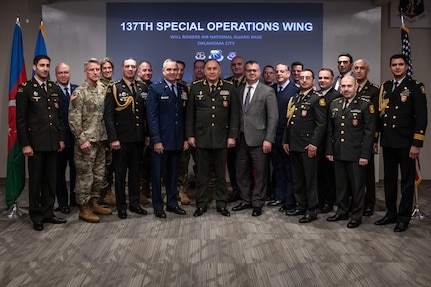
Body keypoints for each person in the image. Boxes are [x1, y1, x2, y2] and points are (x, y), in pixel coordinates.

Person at [375, 54, 427, 232]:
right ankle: (391, 213)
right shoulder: (386, 87)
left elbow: (421, 118)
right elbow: (380, 117)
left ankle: (403, 218)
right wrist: (376, 139)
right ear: (390, 67)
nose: (397, 67)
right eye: (394, 65)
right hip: (388, 141)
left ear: (406, 67)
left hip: (406, 143)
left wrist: (416, 143)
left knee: (406, 182)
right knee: (389, 180)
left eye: (400, 64)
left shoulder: (415, 87)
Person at [16, 55, 67, 231]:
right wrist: (25, 144)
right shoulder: (26, 89)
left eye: (47, 66)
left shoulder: (53, 88)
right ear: (34, 67)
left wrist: (61, 138)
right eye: (42, 65)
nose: (45, 68)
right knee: (36, 182)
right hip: (35, 144)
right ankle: (36, 215)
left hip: (52, 142)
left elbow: (59, 118)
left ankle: (48, 213)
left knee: (50, 180)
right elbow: (21, 120)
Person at [187, 59, 239, 217]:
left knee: (220, 174)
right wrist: (190, 135)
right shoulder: (196, 88)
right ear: (204, 71)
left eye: (214, 68)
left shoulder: (229, 88)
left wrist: (232, 136)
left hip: (221, 138)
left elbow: (234, 114)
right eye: (208, 68)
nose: (211, 71)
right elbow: (190, 114)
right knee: (202, 175)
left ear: (219, 70)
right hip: (201, 138)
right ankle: (201, 204)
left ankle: (221, 203)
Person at [326, 75, 376, 228]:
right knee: (341, 185)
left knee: (357, 187)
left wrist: (364, 155)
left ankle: (356, 215)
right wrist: (330, 151)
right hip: (339, 152)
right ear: (340, 87)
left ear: (356, 87)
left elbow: (369, 132)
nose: (346, 89)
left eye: (349, 86)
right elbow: (330, 131)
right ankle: (342, 211)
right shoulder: (335, 103)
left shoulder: (365, 105)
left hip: (356, 154)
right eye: (343, 86)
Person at [231, 60, 278, 217]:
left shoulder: (267, 91)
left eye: (254, 70)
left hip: (260, 139)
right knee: (241, 171)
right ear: (245, 72)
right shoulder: (238, 90)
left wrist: (269, 139)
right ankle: (245, 200)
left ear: (259, 73)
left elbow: (273, 117)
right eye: (249, 70)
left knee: (261, 172)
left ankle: (258, 202)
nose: (251, 73)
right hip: (241, 138)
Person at [69, 58, 112, 223]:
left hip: (101, 140)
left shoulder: (104, 90)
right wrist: (81, 139)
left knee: (99, 175)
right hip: (86, 142)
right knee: (85, 177)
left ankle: (94, 202)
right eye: (91, 70)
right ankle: (83, 208)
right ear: (86, 72)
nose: (95, 72)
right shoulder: (79, 92)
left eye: (97, 70)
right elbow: (73, 118)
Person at [104, 57, 148, 219]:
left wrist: (147, 135)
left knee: (136, 174)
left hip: (138, 139)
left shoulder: (142, 87)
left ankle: (135, 204)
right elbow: (108, 116)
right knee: (120, 175)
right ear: (122, 69)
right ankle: (121, 206)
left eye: (133, 67)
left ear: (136, 70)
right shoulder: (113, 88)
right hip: (121, 140)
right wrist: (113, 139)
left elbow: (145, 116)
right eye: (127, 66)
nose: (130, 69)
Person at [283, 69, 327, 223]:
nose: (304, 80)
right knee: (298, 179)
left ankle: (312, 209)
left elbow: (321, 125)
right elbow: (289, 123)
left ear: (313, 80)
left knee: (310, 180)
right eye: (301, 78)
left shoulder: (317, 98)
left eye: (307, 78)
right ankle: (301, 205)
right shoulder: (295, 98)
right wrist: (285, 140)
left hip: (308, 146)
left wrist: (314, 144)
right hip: (294, 145)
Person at [146, 59, 189, 218]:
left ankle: (172, 204)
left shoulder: (183, 89)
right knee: (157, 176)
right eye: (169, 69)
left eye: (175, 69)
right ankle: (158, 206)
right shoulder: (155, 89)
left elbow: (184, 116)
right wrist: (156, 140)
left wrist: (185, 138)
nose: (172, 72)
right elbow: (152, 116)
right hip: (161, 142)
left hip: (177, 141)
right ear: (163, 71)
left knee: (173, 175)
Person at [268, 63, 298, 212]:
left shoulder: (295, 91)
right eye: (277, 71)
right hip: (273, 136)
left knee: (289, 169)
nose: (279, 74)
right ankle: (278, 196)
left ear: (288, 74)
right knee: (277, 168)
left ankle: (289, 199)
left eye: (282, 71)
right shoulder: (271, 90)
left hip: (288, 137)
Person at [353, 59, 380, 216]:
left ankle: (369, 203)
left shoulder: (374, 90)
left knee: (368, 173)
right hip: (352, 137)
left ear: (367, 70)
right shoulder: (350, 87)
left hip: (367, 137)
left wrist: (375, 139)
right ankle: (356, 202)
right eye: (356, 68)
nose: (358, 71)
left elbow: (376, 118)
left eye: (362, 68)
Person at [54, 63, 78, 214]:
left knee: (77, 172)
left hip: (76, 138)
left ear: (70, 73)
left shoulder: (78, 89)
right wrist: (58, 138)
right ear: (56, 75)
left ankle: (75, 200)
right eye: (60, 73)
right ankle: (62, 202)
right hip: (59, 141)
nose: (63, 75)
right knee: (59, 174)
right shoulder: (51, 90)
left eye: (66, 72)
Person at [316, 68, 341, 213]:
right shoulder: (316, 95)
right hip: (317, 142)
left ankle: (328, 202)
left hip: (330, 142)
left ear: (332, 80)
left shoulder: (336, 96)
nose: (323, 80)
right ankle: (319, 200)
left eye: (326, 78)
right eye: (320, 78)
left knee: (329, 175)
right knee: (319, 173)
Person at [224, 55, 246, 201]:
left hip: (245, 131)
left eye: (239, 64)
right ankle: (236, 191)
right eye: (234, 65)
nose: (236, 67)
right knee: (231, 163)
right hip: (230, 130)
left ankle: (246, 192)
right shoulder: (227, 83)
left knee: (244, 164)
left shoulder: (250, 83)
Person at [98, 57, 116, 206]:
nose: (107, 71)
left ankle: (109, 191)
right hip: (100, 133)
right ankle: (102, 194)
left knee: (111, 165)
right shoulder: (98, 87)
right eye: (104, 68)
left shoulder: (115, 86)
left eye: (109, 68)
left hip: (113, 132)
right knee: (103, 166)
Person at [176, 60, 192, 205]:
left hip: (183, 133)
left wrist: (187, 136)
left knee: (183, 163)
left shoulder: (188, 88)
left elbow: (190, 113)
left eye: (181, 70)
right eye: (176, 69)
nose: (179, 72)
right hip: (169, 133)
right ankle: (171, 191)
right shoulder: (162, 87)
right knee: (168, 165)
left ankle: (182, 190)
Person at [136, 60, 153, 205]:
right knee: (139, 164)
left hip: (152, 133)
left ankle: (147, 190)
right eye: (144, 70)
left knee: (149, 164)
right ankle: (140, 192)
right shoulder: (135, 87)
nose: (147, 73)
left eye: (149, 70)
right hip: (139, 133)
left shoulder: (153, 87)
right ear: (138, 72)